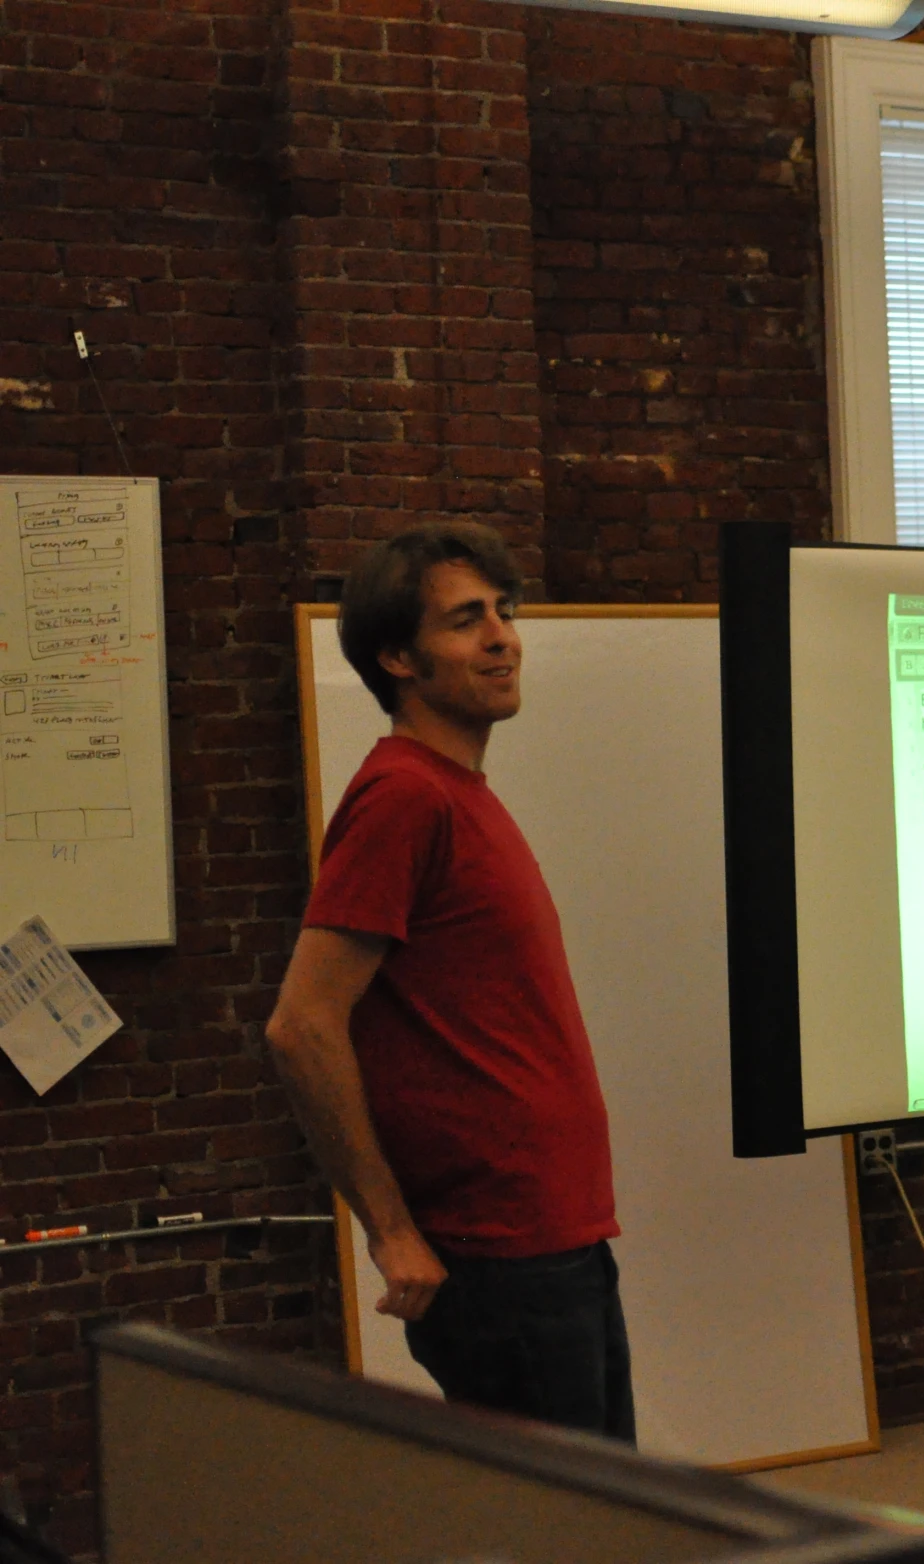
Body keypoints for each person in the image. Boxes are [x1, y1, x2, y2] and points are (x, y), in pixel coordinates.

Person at [265, 522, 634, 1442]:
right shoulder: (404, 797)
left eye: (504, 613)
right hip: (497, 1255)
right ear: (397, 656)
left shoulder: (459, 791)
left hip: (553, 1234)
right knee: (567, 1529)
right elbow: (302, 1026)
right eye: (466, 622)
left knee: (605, 1518)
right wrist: (390, 1231)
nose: (504, 637)